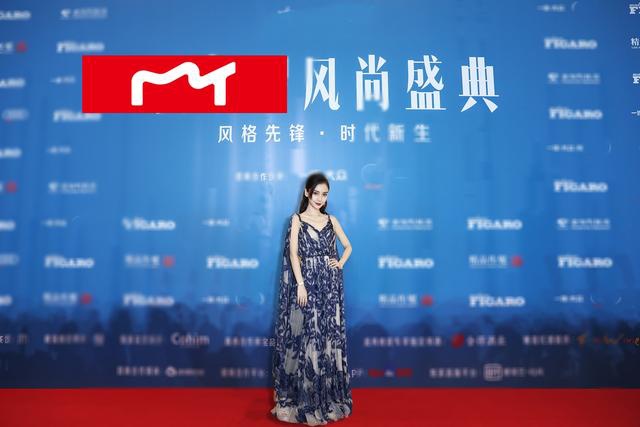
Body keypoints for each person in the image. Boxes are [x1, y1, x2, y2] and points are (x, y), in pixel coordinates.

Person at [271, 172, 353, 425]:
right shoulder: (296, 220)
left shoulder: (331, 220)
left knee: (327, 336)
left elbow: (348, 246)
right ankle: (306, 398)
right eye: (316, 193)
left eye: (324, 194)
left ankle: (327, 396)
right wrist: (301, 285)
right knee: (307, 336)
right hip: (307, 284)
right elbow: (293, 254)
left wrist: (339, 263)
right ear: (307, 193)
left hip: (329, 285)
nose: (320, 198)